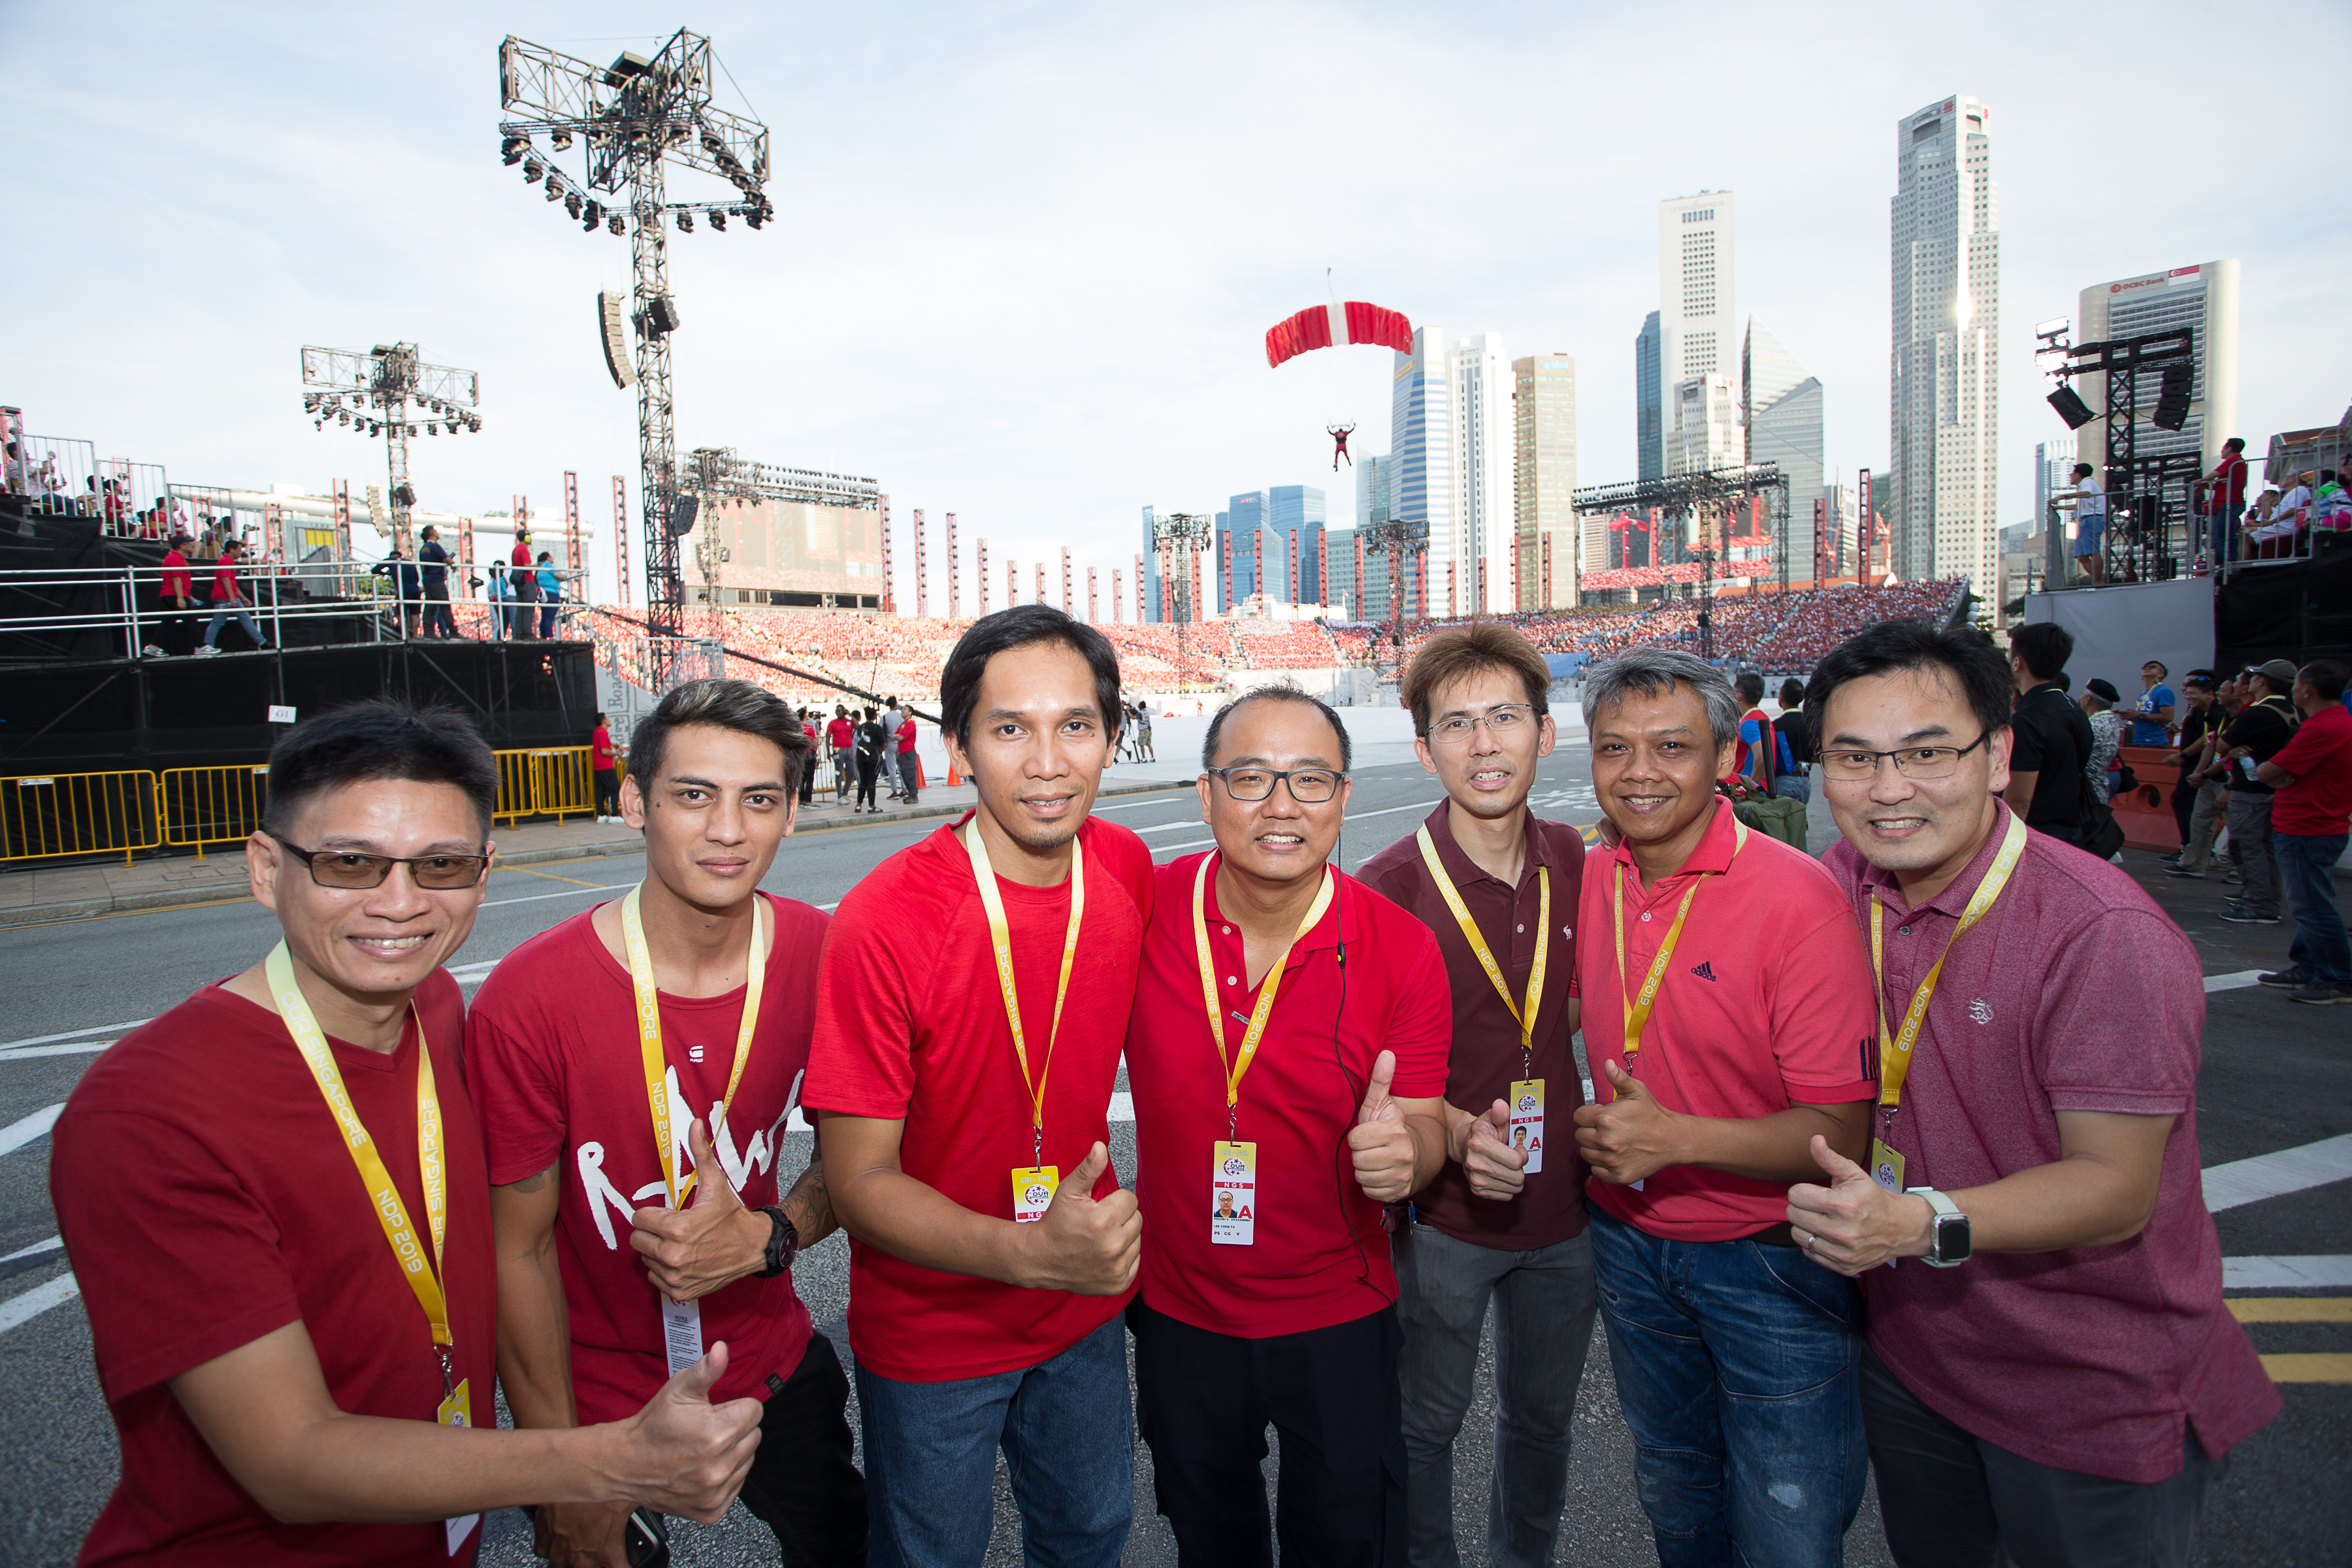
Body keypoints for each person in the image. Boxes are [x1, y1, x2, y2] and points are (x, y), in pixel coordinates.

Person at [47, 700, 766, 1567]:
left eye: (440, 865)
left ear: (484, 874)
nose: (399, 904)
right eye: (350, 863)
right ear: (267, 868)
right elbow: (289, 1459)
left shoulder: (435, 1007)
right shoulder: (148, 1113)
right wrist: (604, 1465)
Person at [1784, 620, 2281, 1568]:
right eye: (1854, 758)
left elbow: (2114, 1188)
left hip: (2087, 1385)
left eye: (1926, 752)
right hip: (1919, 1356)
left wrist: (1915, 1223)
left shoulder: (2100, 932)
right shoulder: (1846, 879)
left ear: (1996, 754)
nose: (1888, 789)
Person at [468, 679, 868, 1567]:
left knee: (846, 1542)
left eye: (757, 799)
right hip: (597, 1393)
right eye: (693, 794)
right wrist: (559, 1469)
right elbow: (516, 1251)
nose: (727, 829)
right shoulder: (528, 1000)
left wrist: (770, 1236)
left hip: (767, 1356)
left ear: (791, 814)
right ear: (632, 802)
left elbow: (864, 1161)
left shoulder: (827, 957)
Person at [805, 605, 1151, 1567]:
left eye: (1075, 726)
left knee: (1090, 1536)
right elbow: (858, 1182)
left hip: (1080, 1311)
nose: (1047, 763)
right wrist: (1031, 1254)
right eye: (1009, 729)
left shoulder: (1123, 868)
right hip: (935, 1332)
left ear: (1111, 738)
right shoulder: (884, 920)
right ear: (957, 747)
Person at [1125, 685, 1451, 1567]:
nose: (1281, 805)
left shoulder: (1402, 947)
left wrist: (1409, 1158)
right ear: (1206, 795)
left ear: (1342, 797)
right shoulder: (1142, 910)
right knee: (1210, 1540)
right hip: (1181, 1311)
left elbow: (1423, 1121)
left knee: (1347, 1540)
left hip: (1340, 1311)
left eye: (1310, 779)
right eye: (1251, 778)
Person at [1571, 648, 1879, 1567]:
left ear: (1725, 757)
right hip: (1629, 1243)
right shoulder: (1591, 875)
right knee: (1674, 1489)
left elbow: (1841, 1133)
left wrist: (1674, 1139)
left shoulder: (1798, 898)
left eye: (1672, 747)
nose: (1639, 772)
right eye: (1614, 748)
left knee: (1788, 1518)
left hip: (1769, 1258)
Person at [1358, 624, 1597, 1568]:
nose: (1485, 743)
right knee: (1426, 1424)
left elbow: (1579, 1008)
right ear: (1426, 750)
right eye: (1457, 724)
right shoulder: (1388, 890)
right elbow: (1366, 1075)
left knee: (1543, 1423)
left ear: (1546, 731)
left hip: (1568, 1211)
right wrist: (1456, 1131)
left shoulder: (1579, 861)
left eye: (1505, 717)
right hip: (1444, 1220)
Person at [2253, 659, 2352, 1003]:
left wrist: (2275, 773)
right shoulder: (2339, 723)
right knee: (2314, 901)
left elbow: (2267, 772)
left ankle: (2337, 978)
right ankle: (2310, 965)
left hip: (2306, 826)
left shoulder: (2321, 729)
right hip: (2321, 824)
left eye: (2296, 683)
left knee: (2312, 907)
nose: (2293, 689)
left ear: (2307, 690)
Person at [2213, 660, 2302, 926]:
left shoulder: (2256, 713)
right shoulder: (2294, 712)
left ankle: (2259, 905)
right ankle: (2266, 899)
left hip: (2250, 789)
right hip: (2277, 788)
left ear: (2261, 681)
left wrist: (2233, 748)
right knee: (2266, 848)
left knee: (2247, 846)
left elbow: (2221, 745)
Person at [2002, 623, 2093, 846]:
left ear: (2017, 663)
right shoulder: (2073, 708)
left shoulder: (2028, 719)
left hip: (2036, 837)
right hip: (2069, 832)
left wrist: (2003, 847)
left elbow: (2018, 801)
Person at [2166, 675, 2221, 870]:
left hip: (2214, 773)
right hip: (2202, 771)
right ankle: (2193, 862)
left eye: (2192, 691)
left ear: (2210, 693)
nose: (2187, 693)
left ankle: (2202, 856)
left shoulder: (2217, 713)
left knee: (2188, 807)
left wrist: (2185, 757)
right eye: (2186, 689)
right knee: (2200, 817)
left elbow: (2210, 742)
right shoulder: (2201, 710)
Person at [198, 538, 270, 654]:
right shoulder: (226, 561)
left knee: (220, 622)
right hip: (225, 597)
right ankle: (262, 642)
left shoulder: (226, 561)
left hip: (223, 597)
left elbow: (230, 582)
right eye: (239, 549)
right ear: (232, 550)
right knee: (243, 619)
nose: (241, 552)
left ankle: (207, 645)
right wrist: (233, 598)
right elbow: (226, 580)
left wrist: (241, 597)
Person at [154, 531, 198, 658]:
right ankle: (201, 646)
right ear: (182, 546)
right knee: (191, 620)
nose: (191, 545)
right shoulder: (175, 558)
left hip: (172, 594)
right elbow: (176, 579)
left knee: (168, 622)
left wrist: (188, 596)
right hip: (174, 594)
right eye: (189, 544)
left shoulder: (175, 558)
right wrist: (180, 598)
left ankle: (153, 647)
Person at [2204, 439, 2248, 564]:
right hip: (2231, 503)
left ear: (2229, 449)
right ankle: (2230, 564)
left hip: (2227, 504)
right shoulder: (2238, 462)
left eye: (2223, 448)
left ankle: (2223, 566)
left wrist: (2199, 482)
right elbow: (2215, 486)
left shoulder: (2233, 460)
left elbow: (2209, 477)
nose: (2221, 451)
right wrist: (2202, 485)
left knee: (2218, 538)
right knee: (2228, 537)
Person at [2080, 679, 2123, 805]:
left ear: (2088, 699)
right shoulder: (2111, 722)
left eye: (2083, 694)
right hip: (2101, 786)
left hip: (2087, 791)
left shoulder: (2093, 726)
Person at [1777, 676, 1816, 799]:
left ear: (1782, 697)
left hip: (1785, 779)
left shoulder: (1777, 725)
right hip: (1805, 779)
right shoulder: (1809, 723)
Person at [374, 544, 423, 640]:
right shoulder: (409, 562)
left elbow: (375, 570)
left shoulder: (391, 560)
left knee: (400, 615)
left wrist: (386, 573)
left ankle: (406, 637)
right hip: (416, 591)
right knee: (415, 615)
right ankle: (415, 636)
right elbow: (417, 578)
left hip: (404, 591)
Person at [2070, 463, 2106, 585]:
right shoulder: (2085, 484)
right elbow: (2078, 506)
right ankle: (2097, 580)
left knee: (2093, 551)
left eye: (2072, 473)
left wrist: (2064, 496)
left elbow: (2087, 493)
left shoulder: (2087, 482)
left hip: (2092, 519)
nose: (2071, 476)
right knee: (2080, 555)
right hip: (2087, 520)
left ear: (2078, 474)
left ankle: (2098, 581)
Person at [417, 526, 456, 639]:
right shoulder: (435, 546)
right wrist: (453, 565)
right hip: (437, 580)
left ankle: (429, 632)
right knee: (445, 605)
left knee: (430, 606)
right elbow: (447, 559)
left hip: (428, 580)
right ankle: (453, 631)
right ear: (432, 533)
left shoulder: (423, 548)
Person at [2130, 661, 2176, 748]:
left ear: (2161, 674)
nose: (2147, 668)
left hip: (2154, 742)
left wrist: (2139, 715)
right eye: (2144, 667)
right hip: (2139, 739)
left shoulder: (2163, 691)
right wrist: (2131, 716)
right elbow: (2146, 715)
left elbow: (2168, 717)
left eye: (2153, 667)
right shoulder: (2144, 693)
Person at [591, 711, 623, 823]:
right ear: (604, 721)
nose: (609, 720)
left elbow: (606, 744)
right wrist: (616, 754)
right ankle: (614, 815)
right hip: (605, 765)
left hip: (598, 766)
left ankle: (601, 814)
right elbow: (604, 750)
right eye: (607, 718)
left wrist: (616, 745)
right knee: (614, 788)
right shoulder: (602, 732)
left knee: (601, 790)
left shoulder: (597, 732)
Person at [853, 706, 885, 813]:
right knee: (871, 782)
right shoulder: (877, 728)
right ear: (874, 716)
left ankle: (858, 805)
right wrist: (879, 752)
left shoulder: (861, 727)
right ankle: (871, 806)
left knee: (863, 781)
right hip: (873, 757)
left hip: (861, 756)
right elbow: (883, 744)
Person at [510, 531, 540, 638]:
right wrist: (536, 567)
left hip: (519, 583)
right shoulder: (523, 550)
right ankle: (527, 633)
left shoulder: (516, 549)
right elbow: (527, 566)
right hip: (527, 582)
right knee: (528, 608)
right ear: (526, 538)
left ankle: (519, 633)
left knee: (520, 608)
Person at [827, 705, 856, 800]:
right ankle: (839, 795)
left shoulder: (849, 722)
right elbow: (828, 737)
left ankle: (845, 793)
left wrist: (850, 715)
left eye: (839, 711)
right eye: (837, 711)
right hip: (838, 750)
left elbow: (857, 726)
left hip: (849, 749)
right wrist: (828, 752)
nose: (838, 713)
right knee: (839, 772)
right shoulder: (832, 723)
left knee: (852, 772)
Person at [894, 708, 921, 805]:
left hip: (908, 752)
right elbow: (894, 736)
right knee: (904, 774)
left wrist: (898, 737)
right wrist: (897, 737)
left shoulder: (910, 724)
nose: (902, 711)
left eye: (904, 709)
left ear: (910, 712)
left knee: (910, 775)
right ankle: (910, 794)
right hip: (901, 753)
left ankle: (913, 795)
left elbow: (900, 737)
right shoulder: (903, 725)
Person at [535, 552, 563, 640]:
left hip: (543, 594)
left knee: (545, 616)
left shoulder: (539, 569)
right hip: (552, 593)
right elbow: (558, 575)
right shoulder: (548, 565)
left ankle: (543, 635)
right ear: (547, 558)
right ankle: (549, 636)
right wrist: (564, 576)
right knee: (550, 616)